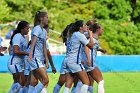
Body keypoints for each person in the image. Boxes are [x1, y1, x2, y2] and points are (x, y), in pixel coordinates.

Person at [62, 20, 93, 93]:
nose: (86, 26)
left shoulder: (72, 34)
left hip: (67, 60)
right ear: (80, 28)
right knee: (86, 82)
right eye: (85, 25)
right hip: (74, 61)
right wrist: (91, 35)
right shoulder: (79, 35)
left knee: (68, 84)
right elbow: (91, 46)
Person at [27, 11, 49, 93]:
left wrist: (46, 60)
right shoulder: (37, 29)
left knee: (34, 81)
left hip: (39, 58)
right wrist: (30, 55)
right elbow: (32, 43)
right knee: (45, 80)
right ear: (41, 18)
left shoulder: (44, 31)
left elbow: (44, 47)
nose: (48, 19)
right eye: (46, 17)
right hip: (34, 57)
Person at [8, 21, 30, 93]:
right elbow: (16, 51)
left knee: (19, 83)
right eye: (27, 28)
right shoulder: (17, 36)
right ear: (22, 29)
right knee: (21, 82)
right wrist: (26, 53)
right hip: (14, 62)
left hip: (20, 63)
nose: (28, 30)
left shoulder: (24, 38)